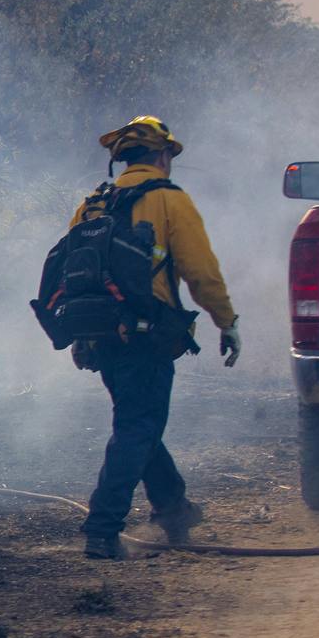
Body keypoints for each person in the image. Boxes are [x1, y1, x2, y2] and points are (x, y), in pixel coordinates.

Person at [72, 116, 240, 559]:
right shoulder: (169, 199)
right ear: (163, 156)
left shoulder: (93, 204)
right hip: (147, 337)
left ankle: (172, 506)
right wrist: (226, 321)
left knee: (138, 420)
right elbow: (201, 273)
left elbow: (75, 276)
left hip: (101, 336)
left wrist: (81, 337)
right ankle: (102, 529)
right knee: (138, 426)